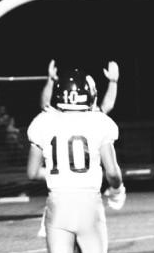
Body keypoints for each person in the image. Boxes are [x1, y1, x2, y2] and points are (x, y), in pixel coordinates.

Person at [26, 67, 126, 253]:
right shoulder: (99, 123)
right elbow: (112, 172)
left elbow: (32, 172)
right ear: (89, 95)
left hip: (57, 203)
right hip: (88, 203)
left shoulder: (43, 122)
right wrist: (117, 190)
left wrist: (62, 171)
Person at [37, 58, 119, 238]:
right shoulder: (94, 119)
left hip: (61, 193)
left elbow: (44, 106)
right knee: (89, 247)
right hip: (85, 191)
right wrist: (113, 82)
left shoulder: (54, 118)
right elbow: (107, 105)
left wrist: (51, 80)